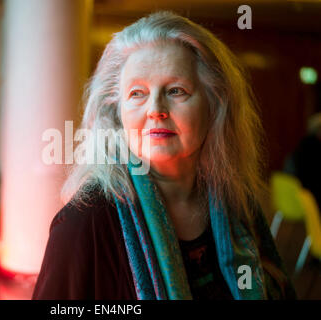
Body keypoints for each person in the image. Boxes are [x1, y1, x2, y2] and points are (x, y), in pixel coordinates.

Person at [32, 11, 296, 300]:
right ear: (116, 113)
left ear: (214, 106)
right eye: (137, 93)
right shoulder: (84, 222)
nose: (155, 109)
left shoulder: (235, 199)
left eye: (176, 91)